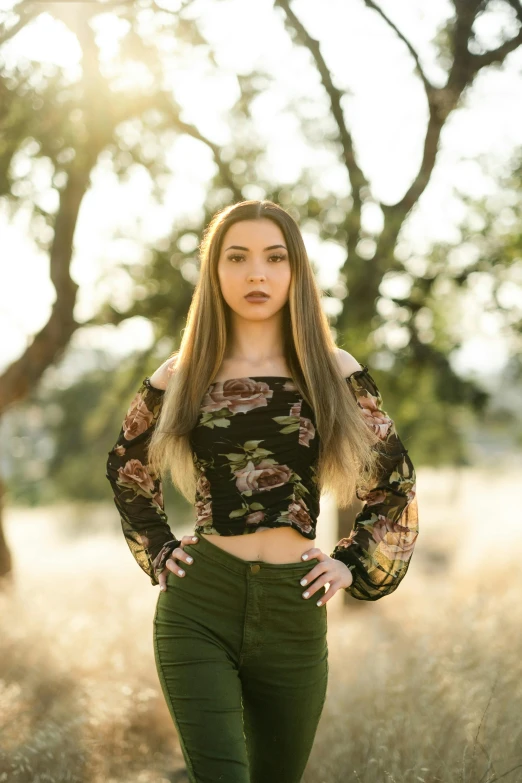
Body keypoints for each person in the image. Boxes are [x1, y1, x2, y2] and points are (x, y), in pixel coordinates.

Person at [105, 199, 419, 783]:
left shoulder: (332, 368)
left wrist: (351, 564)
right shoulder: (182, 374)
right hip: (200, 604)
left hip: (294, 607)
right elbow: (128, 464)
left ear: (295, 272)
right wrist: (158, 546)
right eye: (238, 257)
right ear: (214, 270)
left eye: (275, 258)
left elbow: (393, 480)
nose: (256, 273)